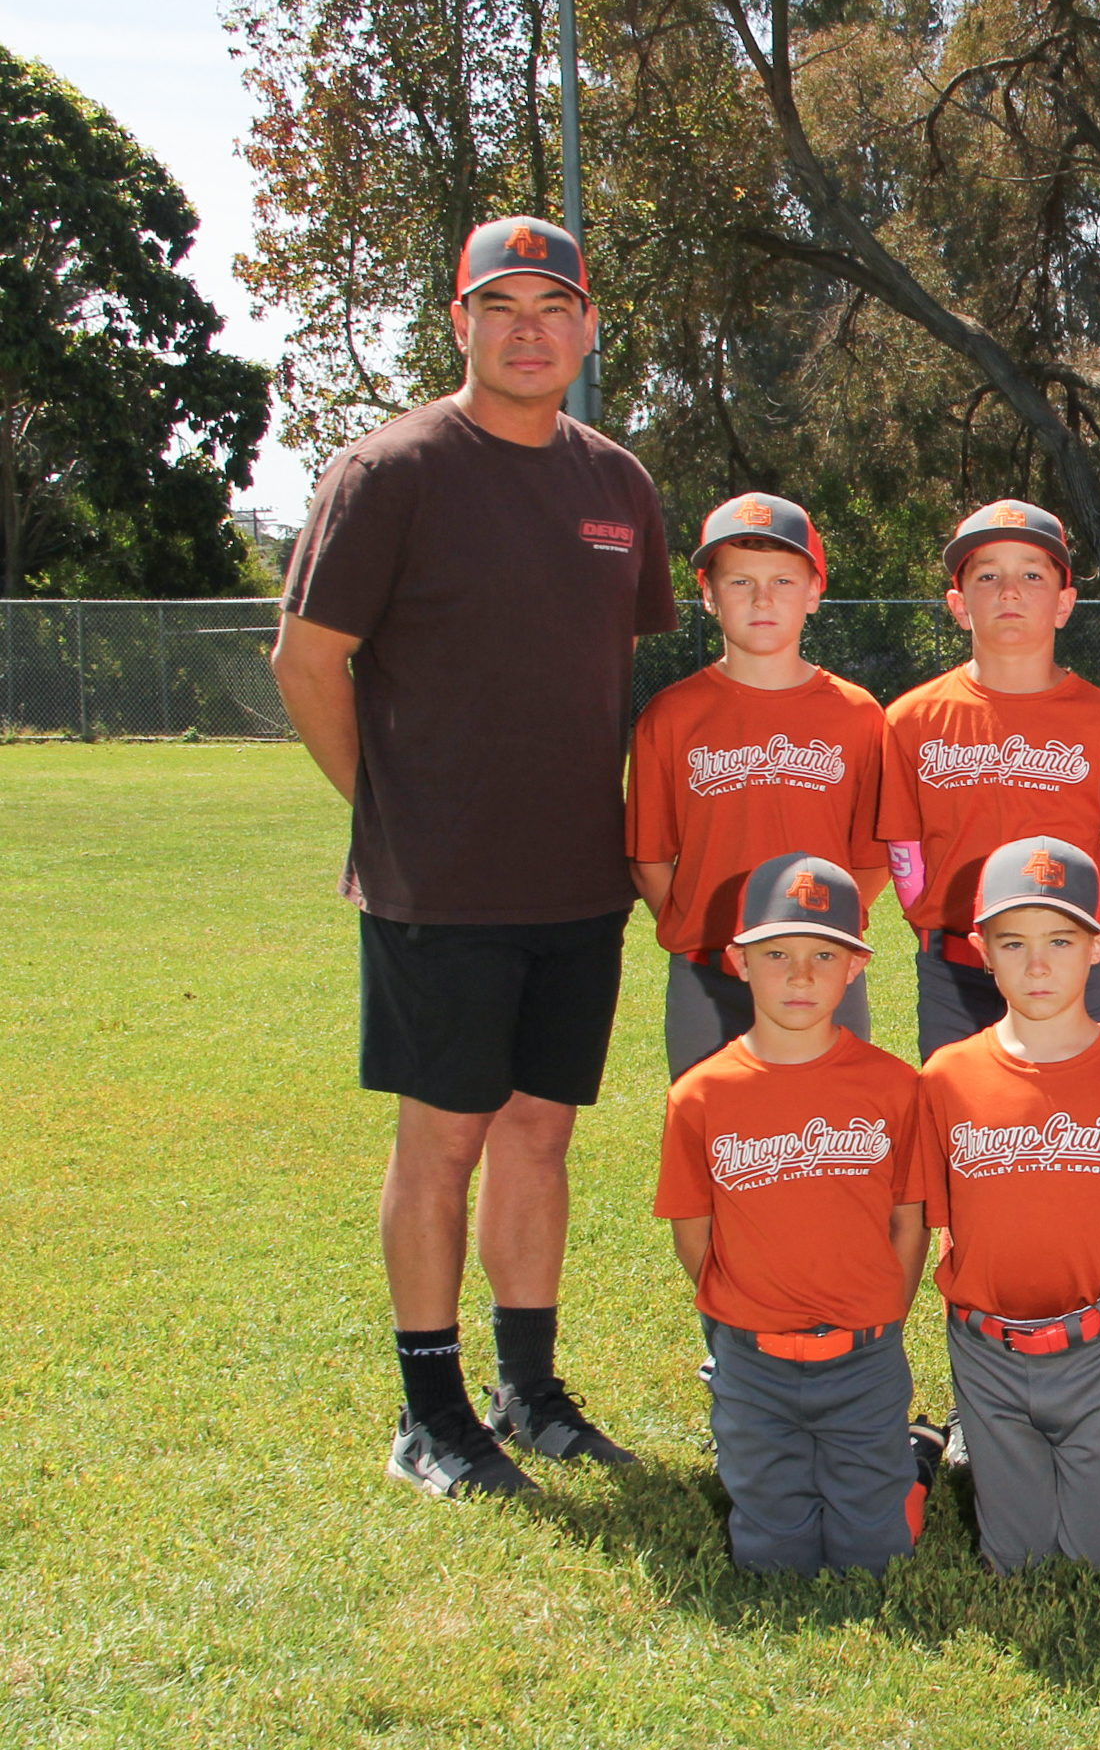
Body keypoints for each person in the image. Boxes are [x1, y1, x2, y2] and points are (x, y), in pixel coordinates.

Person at [271, 215, 677, 1499]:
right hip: (439, 889)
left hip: (577, 881)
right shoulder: (391, 470)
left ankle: (529, 1391)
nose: (527, 329)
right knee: (441, 1140)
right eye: (499, 306)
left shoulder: (617, 484)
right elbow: (305, 659)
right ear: (459, 322)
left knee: (538, 1133)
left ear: (588, 327)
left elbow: (607, 666)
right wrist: (392, 805)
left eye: (552, 306)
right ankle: (430, 1411)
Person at [656, 854, 930, 1575]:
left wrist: (885, 1309)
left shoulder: (894, 1087)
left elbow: (909, 1220)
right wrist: (737, 1308)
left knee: (873, 1557)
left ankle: (911, 1471)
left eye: (824, 955)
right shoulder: (701, 1095)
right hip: (752, 1361)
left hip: (864, 1354)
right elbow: (693, 1227)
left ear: (856, 967)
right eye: (777, 954)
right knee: (771, 1557)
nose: (801, 976)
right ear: (739, 962)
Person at [918, 837, 1100, 1576]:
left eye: (1060, 941)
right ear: (982, 952)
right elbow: (943, 1218)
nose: (1037, 966)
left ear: (1099, 945)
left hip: (1096, 1342)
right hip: (986, 1347)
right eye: (1013, 943)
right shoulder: (947, 1078)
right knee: (1017, 1560)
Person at [877, 498, 1100, 1060]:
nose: (1010, 592)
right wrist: (939, 937)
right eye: (988, 576)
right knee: (958, 1109)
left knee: (1074, 1111)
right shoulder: (911, 719)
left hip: (1069, 968)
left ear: (1064, 604)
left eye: (1032, 576)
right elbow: (904, 853)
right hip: (955, 973)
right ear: (959, 606)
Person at [629, 492, 888, 1080]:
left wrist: (813, 932)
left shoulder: (857, 714)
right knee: (714, 1125)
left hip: (823, 966)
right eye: (740, 581)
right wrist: (704, 929)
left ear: (814, 592)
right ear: (707, 593)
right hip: (707, 971)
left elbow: (872, 860)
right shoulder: (671, 715)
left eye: (783, 581)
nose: (762, 598)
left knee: (832, 1123)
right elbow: (650, 859)